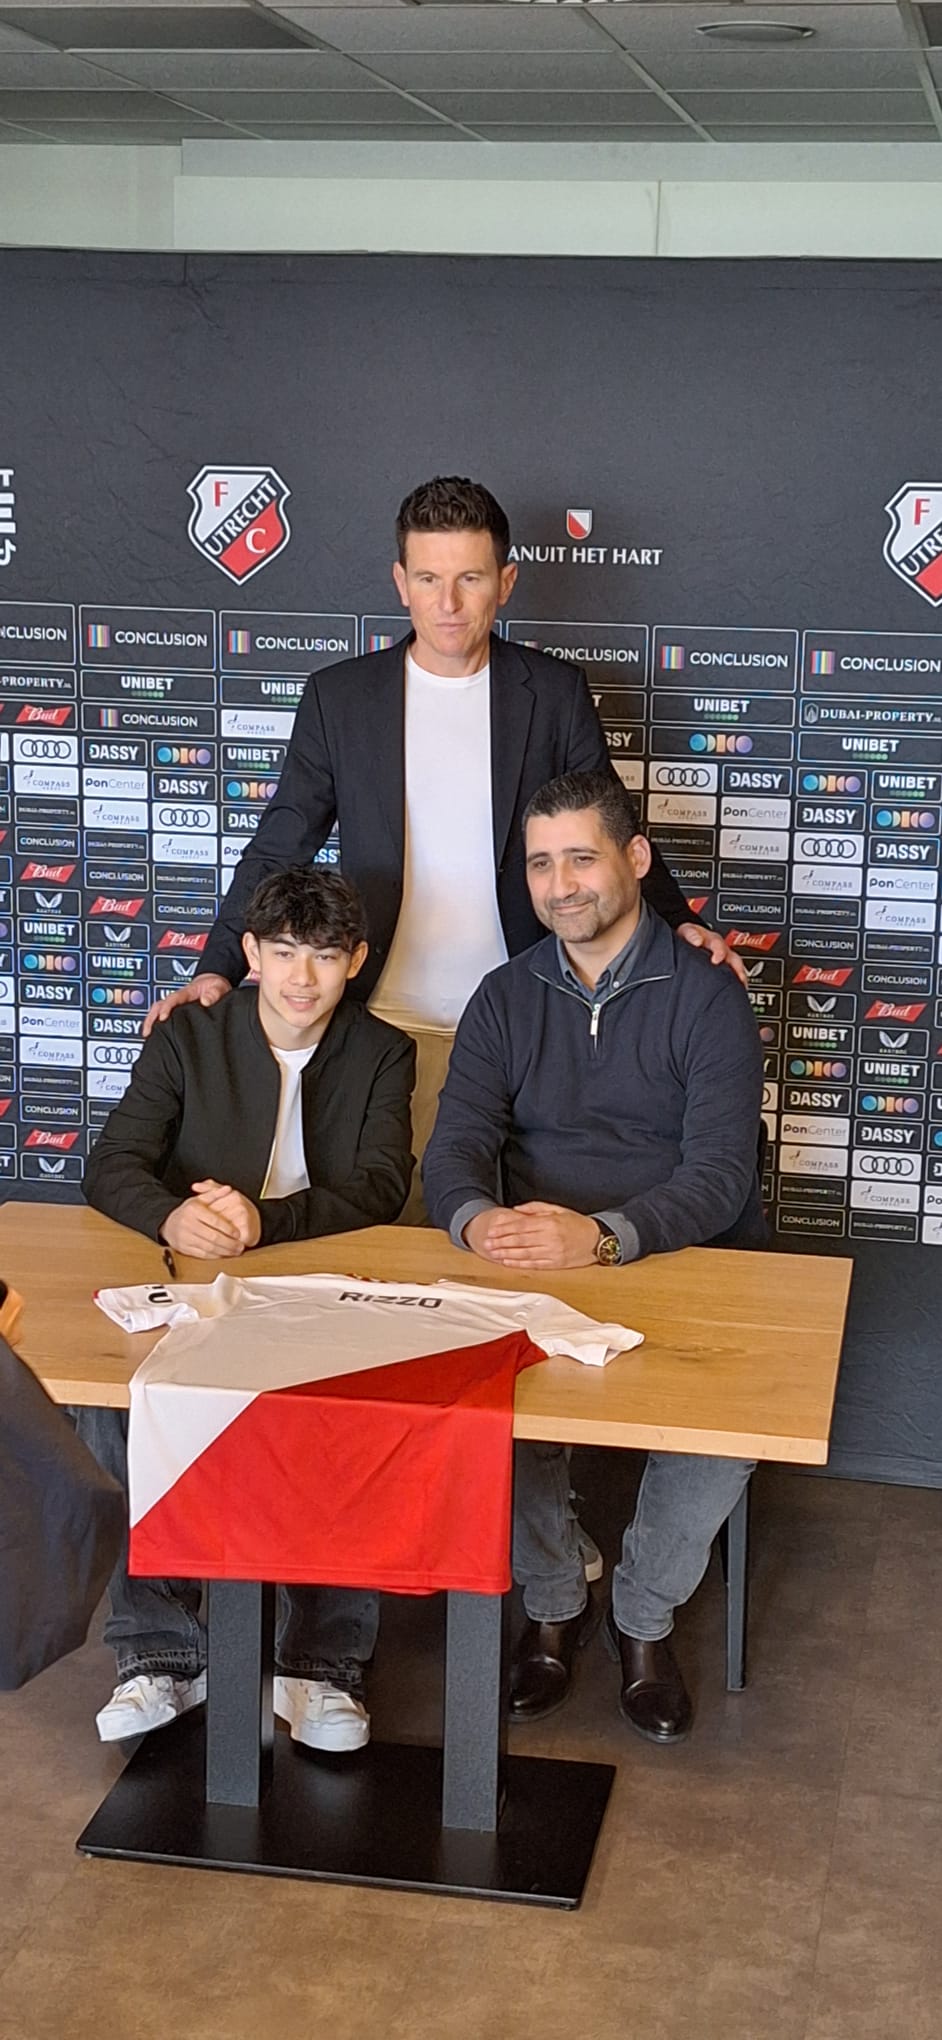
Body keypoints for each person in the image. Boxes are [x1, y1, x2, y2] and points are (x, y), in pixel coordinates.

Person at [144, 477, 744, 1159]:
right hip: (384, 1028)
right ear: (401, 582)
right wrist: (218, 966)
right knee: (386, 1218)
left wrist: (681, 922)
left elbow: (608, 830)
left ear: (506, 582)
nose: (448, 603)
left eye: (470, 579)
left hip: (530, 1024)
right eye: (429, 579)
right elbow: (280, 846)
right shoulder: (340, 699)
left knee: (521, 1217)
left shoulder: (553, 693)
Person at [422, 769, 766, 1745]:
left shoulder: (706, 994)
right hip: (534, 1261)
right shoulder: (504, 996)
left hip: (685, 1260)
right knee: (480, 1401)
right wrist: (475, 1222)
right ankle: (555, 1596)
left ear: (636, 859)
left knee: (732, 1425)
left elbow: (720, 1176)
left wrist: (604, 1236)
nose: (561, 884)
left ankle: (641, 1615)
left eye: (581, 857)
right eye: (541, 864)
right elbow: (452, 1150)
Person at [79, 866, 415, 1753]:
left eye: (326, 956)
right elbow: (110, 1164)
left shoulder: (384, 1051)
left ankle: (323, 1667)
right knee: (112, 1405)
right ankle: (158, 1654)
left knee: (353, 1407)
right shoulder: (190, 1036)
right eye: (285, 952)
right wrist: (169, 1215)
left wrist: (268, 1221)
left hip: (320, 1285)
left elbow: (381, 1187)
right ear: (253, 954)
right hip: (196, 1285)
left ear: (356, 962)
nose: (303, 977)